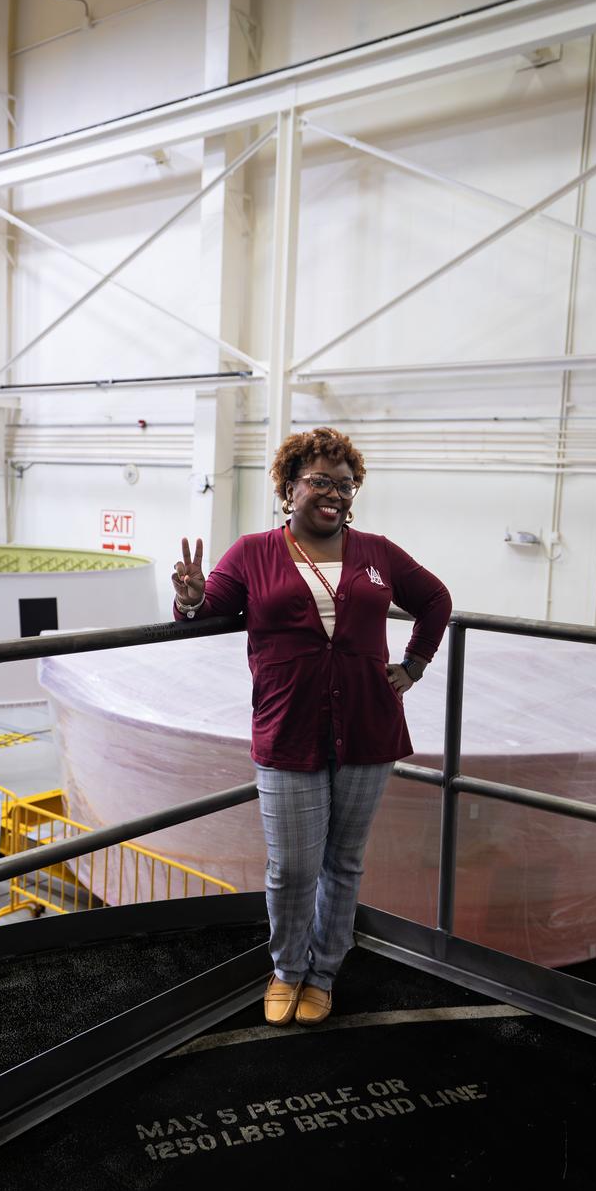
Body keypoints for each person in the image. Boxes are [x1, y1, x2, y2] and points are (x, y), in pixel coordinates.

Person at [172, 427, 451, 1027]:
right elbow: (208, 609)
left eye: (346, 485)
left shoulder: (377, 551)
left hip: (370, 730)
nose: (336, 493)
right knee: (292, 867)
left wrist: (414, 665)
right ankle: (286, 970)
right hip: (287, 728)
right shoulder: (252, 552)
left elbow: (436, 600)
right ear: (289, 487)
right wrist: (192, 599)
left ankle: (324, 973)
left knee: (344, 862)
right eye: (321, 480)